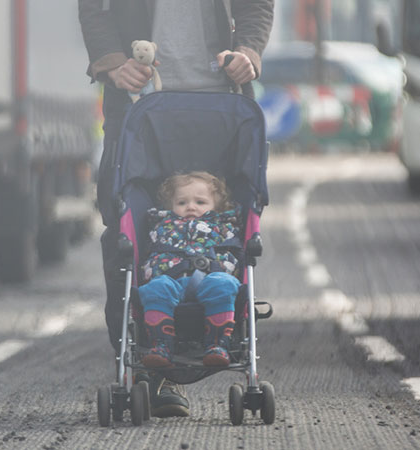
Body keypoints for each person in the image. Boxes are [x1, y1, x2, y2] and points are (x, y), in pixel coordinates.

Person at [78, 0, 274, 418]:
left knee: (223, 230)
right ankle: (151, 373)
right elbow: (94, 8)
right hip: (139, 105)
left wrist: (249, 53)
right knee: (126, 236)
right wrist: (112, 64)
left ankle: (213, 340)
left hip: (224, 105)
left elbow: (256, 5)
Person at [139, 172, 241, 369]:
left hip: (210, 278)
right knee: (155, 288)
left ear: (216, 206)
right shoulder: (162, 226)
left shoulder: (223, 227)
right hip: (171, 279)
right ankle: (161, 345)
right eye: (182, 202)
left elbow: (233, 255)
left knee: (224, 284)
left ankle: (217, 344)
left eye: (200, 202)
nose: (191, 207)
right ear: (170, 206)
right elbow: (150, 255)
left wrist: (222, 267)